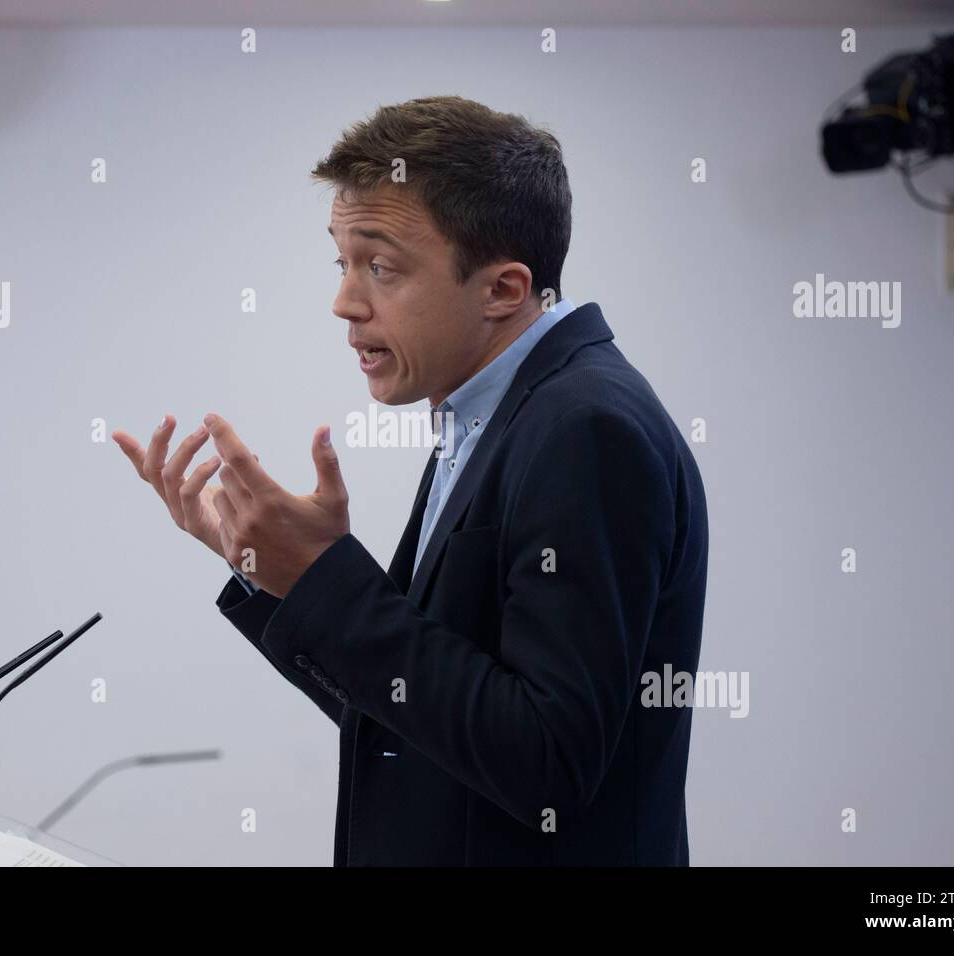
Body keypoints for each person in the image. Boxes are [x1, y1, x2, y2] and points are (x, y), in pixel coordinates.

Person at [113, 95, 708, 866]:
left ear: (502, 289)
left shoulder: (586, 430)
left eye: (381, 267)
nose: (343, 302)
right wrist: (279, 575)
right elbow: (415, 724)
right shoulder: (496, 409)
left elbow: (548, 766)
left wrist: (328, 581)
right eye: (342, 261)